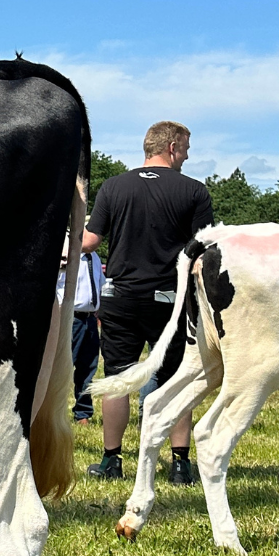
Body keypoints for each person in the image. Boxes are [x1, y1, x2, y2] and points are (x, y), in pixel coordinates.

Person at [83, 120, 215, 483]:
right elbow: (204, 251)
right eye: (185, 149)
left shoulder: (113, 187)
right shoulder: (194, 191)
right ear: (172, 147)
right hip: (170, 301)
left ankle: (111, 461)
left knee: (118, 378)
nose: (186, 157)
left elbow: (90, 241)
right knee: (175, 379)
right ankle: (180, 465)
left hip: (120, 298)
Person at [57, 236, 103, 421]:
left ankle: (83, 413)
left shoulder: (95, 258)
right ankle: (55, 411)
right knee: (63, 367)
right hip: (70, 317)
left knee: (88, 367)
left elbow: (100, 284)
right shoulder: (66, 254)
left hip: (90, 319)